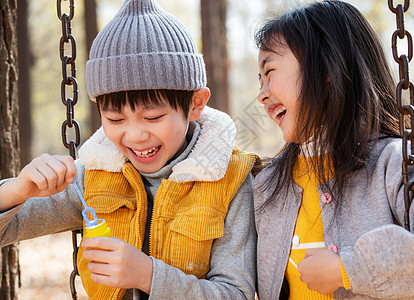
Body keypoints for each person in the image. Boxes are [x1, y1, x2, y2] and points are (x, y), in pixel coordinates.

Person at [0, 0, 258, 299]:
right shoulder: (93, 178)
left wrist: (148, 275)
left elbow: (235, 293)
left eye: (153, 117)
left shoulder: (230, 181)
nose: (135, 135)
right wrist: (18, 190)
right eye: (115, 119)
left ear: (196, 104)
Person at [253, 1, 414, 299]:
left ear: (326, 70)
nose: (262, 94)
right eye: (260, 80)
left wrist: (346, 269)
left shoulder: (399, 164)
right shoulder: (267, 187)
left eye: (270, 72)